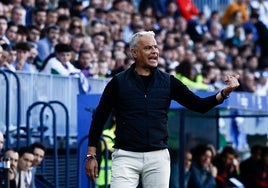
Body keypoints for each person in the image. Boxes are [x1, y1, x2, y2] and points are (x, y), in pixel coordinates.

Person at [85, 30, 240, 188]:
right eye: (148, 48)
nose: (154, 51)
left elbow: (198, 105)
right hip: (126, 156)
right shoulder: (118, 82)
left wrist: (224, 93)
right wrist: (91, 155)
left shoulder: (168, 81)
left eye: (156, 47)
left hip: (157, 158)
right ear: (134, 53)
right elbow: (99, 117)